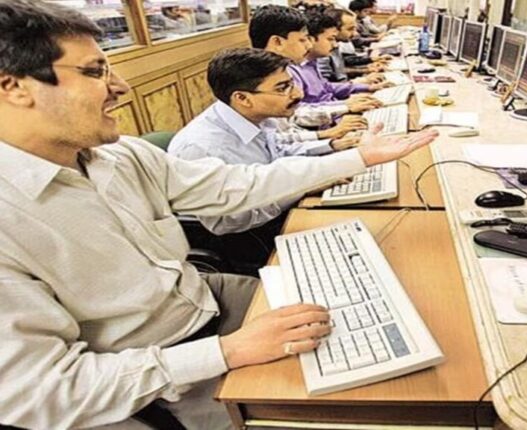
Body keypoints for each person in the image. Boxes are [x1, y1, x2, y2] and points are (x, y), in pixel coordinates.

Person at [0, 1, 439, 428]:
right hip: (156, 372)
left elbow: (235, 185)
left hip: (200, 301)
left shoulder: (119, 156)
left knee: (380, 304)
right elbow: (43, 393)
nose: (120, 87)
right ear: (13, 86)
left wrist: (359, 157)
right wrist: (228, 351)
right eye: (95, 72)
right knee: (369, 395)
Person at [170, 48, 359, 236]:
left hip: (277, 211)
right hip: (247, 237)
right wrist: (301, 187)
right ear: (242, 98)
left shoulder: (255, 115)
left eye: (291, 83)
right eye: (282, 88)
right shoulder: (203, 148)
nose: (298, 94)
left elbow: (278, 152)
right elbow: (229, 222)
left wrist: (329, 151)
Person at [250, 5, 382, 119]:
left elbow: (324, 88)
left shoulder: (297, 64)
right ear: (277, 42)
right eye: (303, 40)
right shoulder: (270, 76)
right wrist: (344, 106)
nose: (309, 45)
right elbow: (296, 112)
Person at [288, 11, 391, 106]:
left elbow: (326, 87)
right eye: (330, 39)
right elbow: (298, 109)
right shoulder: (292, 70)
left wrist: (367, 87)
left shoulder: (311, 62)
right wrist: (345, 105)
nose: (335, 45)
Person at [317, 8, 388, 82]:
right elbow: (324, 85)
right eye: (350, 29)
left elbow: (339, 70)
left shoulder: (334, 45)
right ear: (334, 29)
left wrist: (366, 69)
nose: (355, 34)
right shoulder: (321, 52)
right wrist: (360, 81)